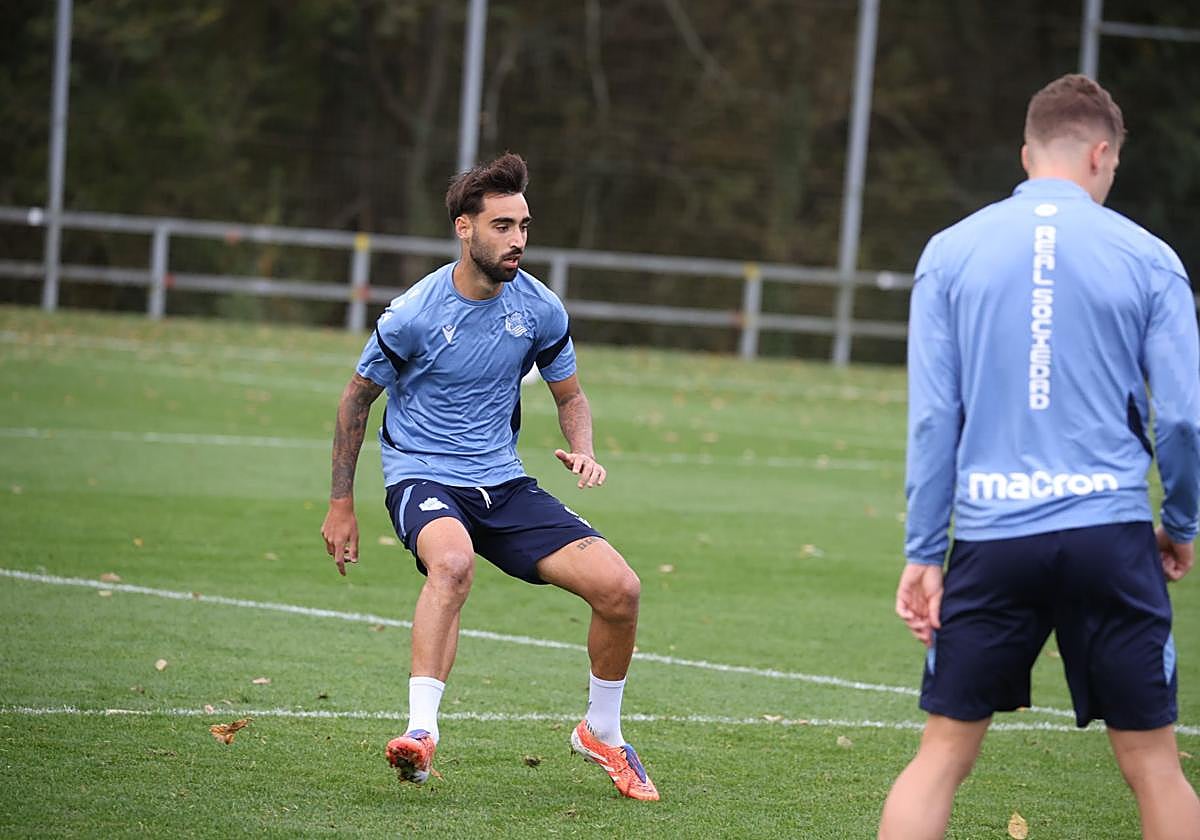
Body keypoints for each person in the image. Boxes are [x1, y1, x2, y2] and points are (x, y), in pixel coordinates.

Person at [879, 74, 1200, 839]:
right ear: (1101, 153)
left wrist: (926, 550)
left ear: (1028, 155)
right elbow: (1184, 419)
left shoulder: (949, 252)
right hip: (1112, 535)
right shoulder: (1151, 257)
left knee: (942, 757)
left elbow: (932, 419)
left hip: (994, 537)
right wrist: (1180, 523)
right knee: (1155, 766)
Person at [319, 152, 659, 801]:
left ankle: (602, 734)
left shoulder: (540, 310)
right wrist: (342, 503)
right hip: (423, 478)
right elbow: (356, 400)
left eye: (524, 225)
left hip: (503, 485)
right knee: (451, 563)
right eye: (503, 225)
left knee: (621, 588)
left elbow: (570, 396)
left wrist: (582, 447)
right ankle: (420, 733)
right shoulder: (414, 313)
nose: (518, 240)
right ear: (465, 229)